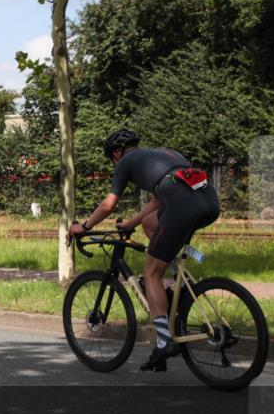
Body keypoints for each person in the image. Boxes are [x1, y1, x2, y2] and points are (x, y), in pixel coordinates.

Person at [67, 129, 220, 372]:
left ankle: (163, 343)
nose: (115, 162)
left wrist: (83, 226)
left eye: (112, 158)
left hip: (182, 204)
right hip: (209, 202)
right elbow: (158, 201)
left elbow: (108, 205)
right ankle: (172, 280)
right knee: (151, 223)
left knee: (151, 273)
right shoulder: (166, 154)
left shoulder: (125, 162)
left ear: (117, 153)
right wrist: (131, 223)